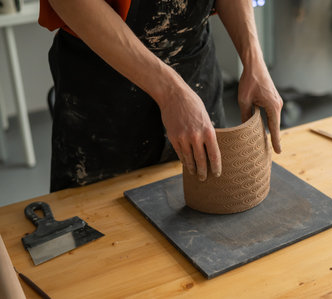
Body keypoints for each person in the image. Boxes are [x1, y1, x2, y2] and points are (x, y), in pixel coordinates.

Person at [39, 0, 283, 192]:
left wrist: (253, 59)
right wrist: (171, 91)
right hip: (105, 91)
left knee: (207, 205)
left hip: (195, 71)